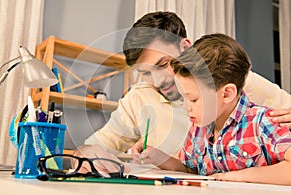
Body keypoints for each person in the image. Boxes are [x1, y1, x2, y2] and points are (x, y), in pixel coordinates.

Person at [74, 12, 291, 171]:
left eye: (163, 64)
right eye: (146, 73)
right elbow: (94, 146)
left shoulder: (237, 82)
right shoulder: (138, 99)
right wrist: (87, 154)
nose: (157, 81)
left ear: (185, 48)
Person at [135, 33, 291, 185]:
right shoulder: (198, 129)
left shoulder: (262, 123)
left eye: (194, 99)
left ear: (227, 94)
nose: (188, 108)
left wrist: (243, 176)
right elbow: (191, 171)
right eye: (185, 98)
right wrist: (158, 158)